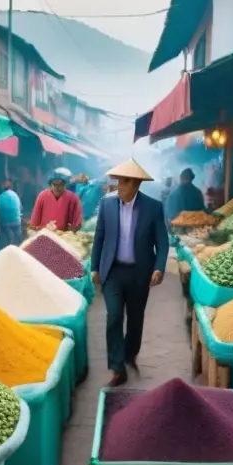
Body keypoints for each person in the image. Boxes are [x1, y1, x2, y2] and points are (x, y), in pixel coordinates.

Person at [91, 160, 169, 387]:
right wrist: (95, 267)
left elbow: (162, 242)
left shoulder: (153, 208)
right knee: (114, 316)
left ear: (136, 184)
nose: (119, 186)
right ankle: (117, 368)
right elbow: (99, 238)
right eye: (118, 181)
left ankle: (129, 354)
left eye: (124, 182)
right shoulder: (106, 206)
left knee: (135, 320)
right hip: (113, 272)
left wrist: (159, 267)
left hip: (139, 273)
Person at [0, 180, 23, 246]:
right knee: (19, 235)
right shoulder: (15, 195)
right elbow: (21, 208)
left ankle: (10, 244)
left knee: (8, 236)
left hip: (5, 223)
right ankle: (21, 245)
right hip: (16, 221)